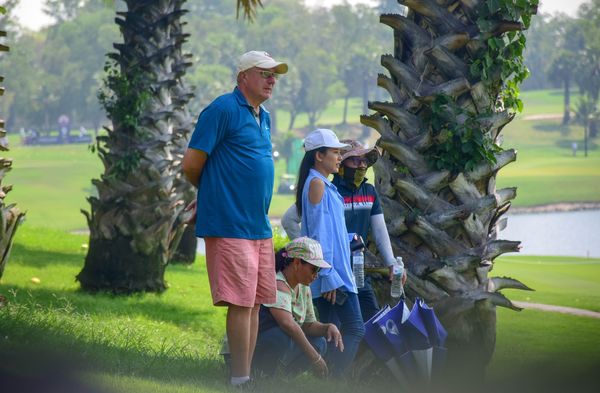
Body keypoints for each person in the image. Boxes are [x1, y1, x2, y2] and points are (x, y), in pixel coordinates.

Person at [182, 50, 288, 388]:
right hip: (230, 224)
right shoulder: (222, 109)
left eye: (275, 75)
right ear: (243, 76)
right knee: (241, 303)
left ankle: (246, 374)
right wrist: (214, 195)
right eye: (265, 73)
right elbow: (191, 165)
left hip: (258, 225)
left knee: (256, 302)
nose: (272, 80)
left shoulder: (265, 116)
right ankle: (239, 379)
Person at [282, 139, 407, 322]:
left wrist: (392, 263)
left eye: (364, 161)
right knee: (339, 328)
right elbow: (289, 220)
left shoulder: (369, 192)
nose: (361, 165)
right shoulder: (327, 189)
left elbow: (380, 231)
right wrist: (311, 255)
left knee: (372, 322)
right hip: (332, 271)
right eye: (355, 160)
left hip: (358, 271)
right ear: (341, 163)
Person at [295, 128, 365, 378]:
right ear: (319, 156)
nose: (339, 157)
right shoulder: (316, 184)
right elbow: (319, 236)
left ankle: (327, 380)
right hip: (333, 275)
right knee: (356, 328)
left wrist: (349, 238)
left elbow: (328, 230)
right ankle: (333, 380)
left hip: (334, 271)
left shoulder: (321, 184)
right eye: (335, 152)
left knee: (333, 329)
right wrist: (327, 276)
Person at [254, 237, 344, 378]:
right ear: (296, 263)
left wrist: (327, 327)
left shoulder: (303, 286)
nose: (316, 275)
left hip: (278, 343)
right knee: (281, 336)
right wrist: (315, 358)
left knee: (320, 342)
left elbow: (308, 325)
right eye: (314, 269)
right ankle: (261, 374)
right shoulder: (277, 283)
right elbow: (287, 324)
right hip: (256, 345)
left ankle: (282, 378)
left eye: (319, 270)